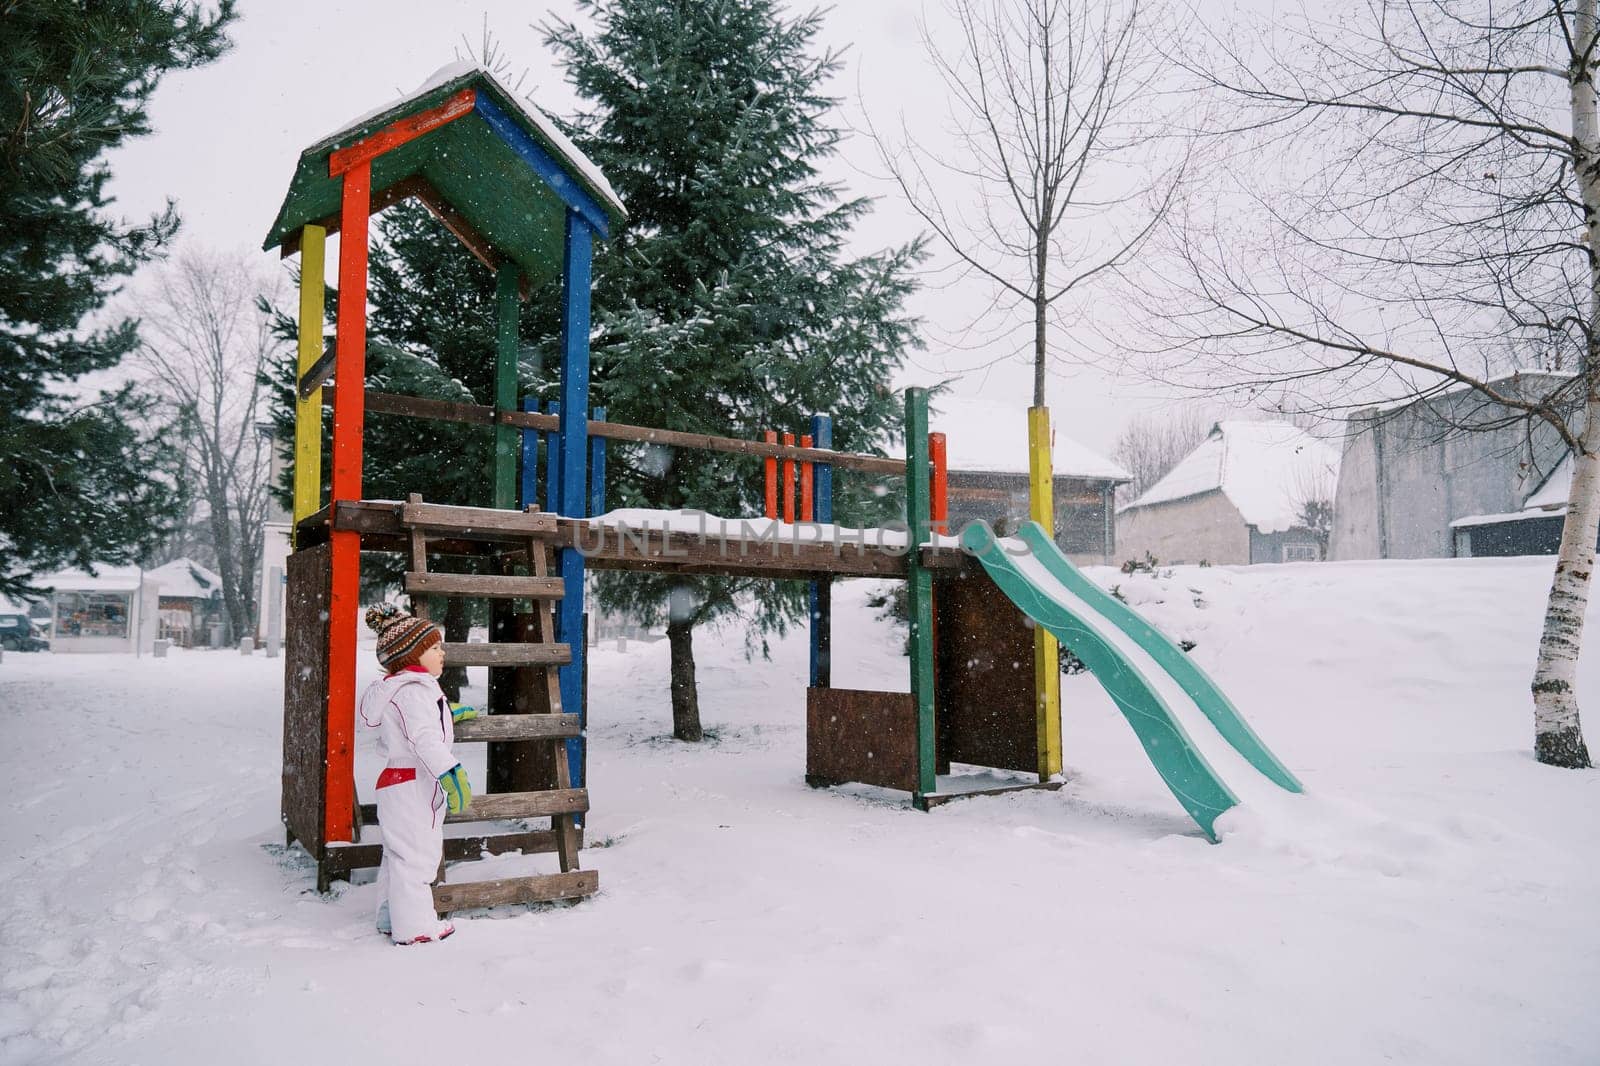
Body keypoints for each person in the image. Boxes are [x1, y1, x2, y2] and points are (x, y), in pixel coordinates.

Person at [357, 604, 476, 945]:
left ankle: (389, 915)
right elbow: (422, 738)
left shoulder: (408, 688)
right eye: (434, 647)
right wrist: (450, 772)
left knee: (398, 855)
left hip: (399, 781)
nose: (442, 653)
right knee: (417, 858)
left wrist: (448, 713)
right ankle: (417, 929)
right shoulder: (413, 691)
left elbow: (419, 722)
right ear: (412, 654)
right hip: (413, 782)